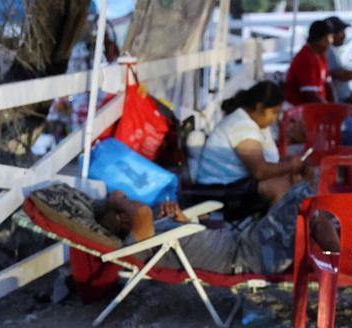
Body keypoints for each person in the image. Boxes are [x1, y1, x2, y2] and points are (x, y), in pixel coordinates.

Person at [97, 186, 339, 277]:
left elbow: (202, 235)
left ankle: (347, 252)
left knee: (310, 205)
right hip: (247, 257)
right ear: (121, 219)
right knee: (304, 201)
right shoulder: (137, 245)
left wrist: (181, 220)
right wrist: (116, 197)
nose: (129, 209)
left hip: (245, 241)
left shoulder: (151, 229)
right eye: (121, 212)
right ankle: (344, 265)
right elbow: (141, 211)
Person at [193, 81, 309, 212]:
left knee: (294, 178)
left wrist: (289, 164)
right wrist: (290, 165)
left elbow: (269, 161)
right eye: (274, 112)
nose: (274, 119)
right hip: (217, 190)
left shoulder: (255, 124)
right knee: (279, 186)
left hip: (233, 185)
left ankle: (299, 219)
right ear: (259, 108)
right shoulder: (241, 125)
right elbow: (260, 171)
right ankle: (279, 224)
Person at [284, 20, 335, 105]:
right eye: (328, 38)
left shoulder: (321, 56)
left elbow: (328, 85)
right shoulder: (305, 58)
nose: (331, 42)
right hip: (300, 108)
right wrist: (328, 109)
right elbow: (309, 96)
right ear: (318, 39)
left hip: (318, 106)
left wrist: (334, 107)